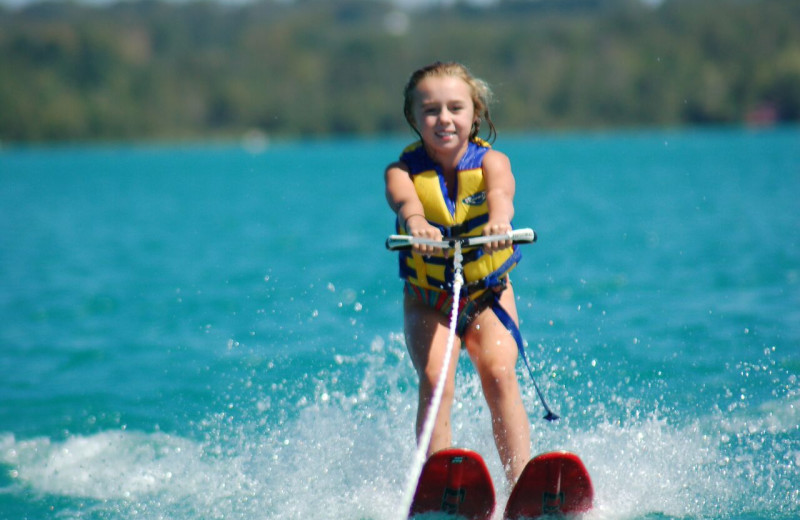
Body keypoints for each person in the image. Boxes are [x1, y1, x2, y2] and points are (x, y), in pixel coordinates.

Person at [384, 61, 531, 485]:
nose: (444, 119)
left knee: (500, 376)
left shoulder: (493, 163)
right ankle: (440, 488)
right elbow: (404, 200)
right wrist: (416, 223)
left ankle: (521, 484)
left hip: (487, 292)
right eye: (430, 110)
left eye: (455, 108)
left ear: (475, 112)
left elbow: (502, 195)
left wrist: (499, 221)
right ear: (414, 118)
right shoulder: (401, 172)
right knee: (436, 383)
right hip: (429, 298)